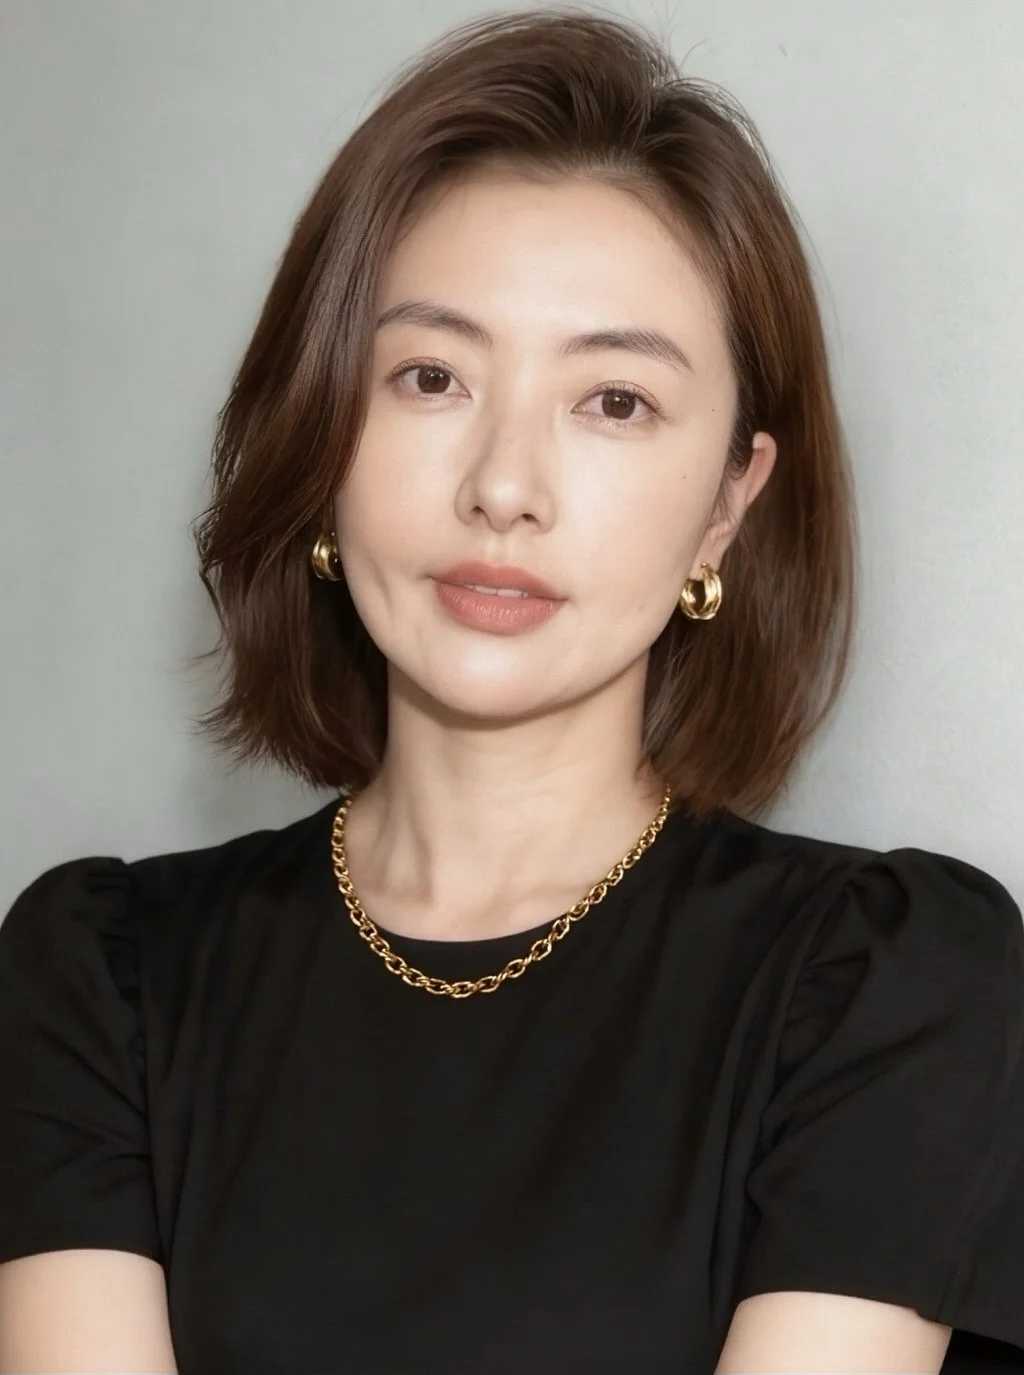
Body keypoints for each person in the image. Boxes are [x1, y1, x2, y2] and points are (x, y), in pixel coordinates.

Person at [1, 8, 1022, 1373]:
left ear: (729, 504)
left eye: (615, 402)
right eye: (429, 377)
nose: (502, 486)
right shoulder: (98, 975)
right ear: (320, 439)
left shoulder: (888, 983)